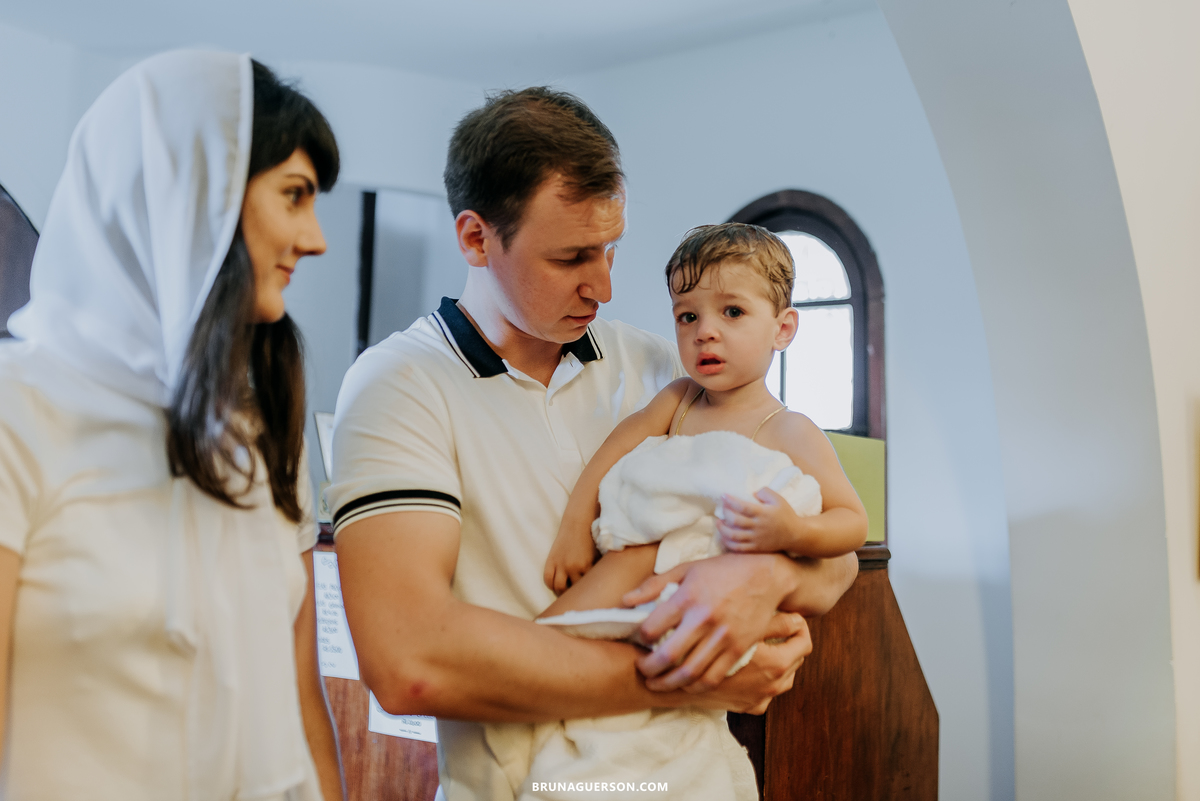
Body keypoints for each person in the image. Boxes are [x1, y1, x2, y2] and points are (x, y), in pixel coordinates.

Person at [329, 87, 860, 801]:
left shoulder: (654, 369)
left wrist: (767, 580)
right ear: (476, 238)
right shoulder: (397, 386)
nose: (605, 287)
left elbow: (839, 556)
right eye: (573, 256)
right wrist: (696, 675)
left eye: (610, 250)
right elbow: (409, 662)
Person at [0, 51, 344, 800]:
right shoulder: (17, 411)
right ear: (191, 198)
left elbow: (298, 701)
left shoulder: (255, 428)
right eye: (294, 196)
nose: (316, 238)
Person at [481, 222, 870, 799]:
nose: (705, 333)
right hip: (631, 567)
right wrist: (572, 532)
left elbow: (851, 523)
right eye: (688, 317)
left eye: (732, 313)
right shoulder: (678, 400)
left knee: (657, 717)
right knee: (550, 646)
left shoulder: (790, 430)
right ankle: (538, 746)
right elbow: (611, 457)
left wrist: (792, 529)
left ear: (783, 328)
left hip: (697, 595)